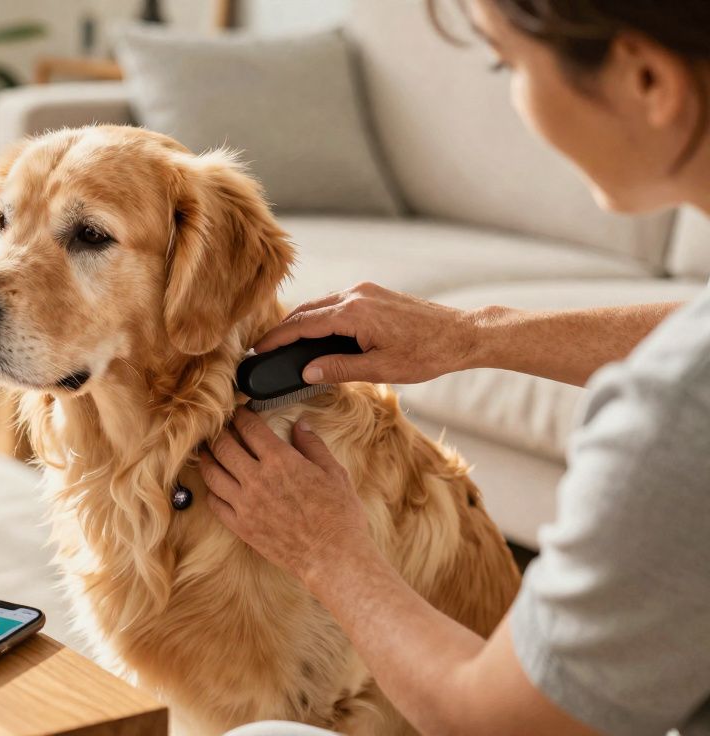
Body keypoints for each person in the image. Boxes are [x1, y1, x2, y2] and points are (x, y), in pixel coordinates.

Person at [199, 1, 710, 734]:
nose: (515, 97)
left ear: (649, 79)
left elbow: (498, 722)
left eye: (509, 63)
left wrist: (331, 555)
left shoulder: (672, 423)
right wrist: (474, 335)